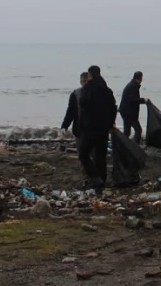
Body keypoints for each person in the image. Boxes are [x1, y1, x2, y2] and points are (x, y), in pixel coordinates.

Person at [78, 65, 117, 193]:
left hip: (90, 127)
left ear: (90, 75)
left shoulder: (88, 88)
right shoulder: (107, 90)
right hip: (104, 128)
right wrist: (111, 124)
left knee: (83, 153)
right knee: (101, 155)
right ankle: (102, 181)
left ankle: (95, 177)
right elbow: (113, 108)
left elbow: (83, 103)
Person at [119, 71, 147, 144]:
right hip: (129, 113)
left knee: (127, 131)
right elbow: (133, 99)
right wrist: (143, 100)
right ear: (140, 78)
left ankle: (123, 145)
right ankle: (135, 146)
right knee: (138, 130)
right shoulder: (133, 86)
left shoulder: (132, 85)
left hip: (125, 111)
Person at [61, 72, 90, 138]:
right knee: (80, 148)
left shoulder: (97, 93)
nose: (86, 83)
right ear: (80, 82)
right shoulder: (75, 94)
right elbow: (70, 112)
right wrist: (64, 126)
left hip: (94, 130)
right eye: (84, 81)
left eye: (87, 81)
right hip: (79, 129)